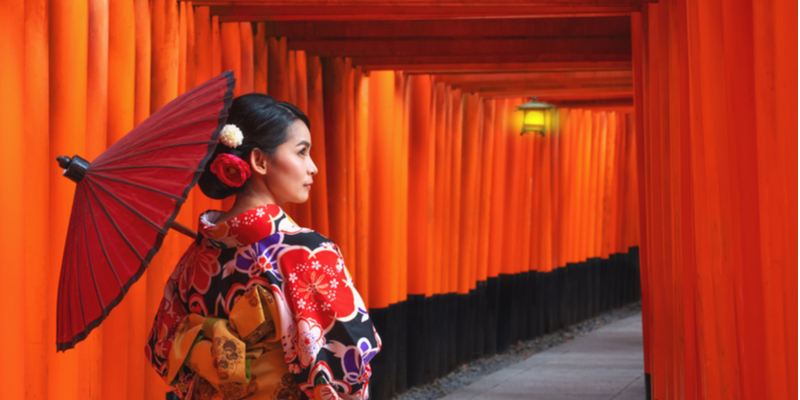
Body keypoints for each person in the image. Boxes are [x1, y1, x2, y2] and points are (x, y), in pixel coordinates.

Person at [146, 94, 381, 400]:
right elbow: (346, 364)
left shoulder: (197, 257)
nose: (313, 168)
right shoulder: (305, 252)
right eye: (302, 152)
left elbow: (162, 352)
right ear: (259, 161)